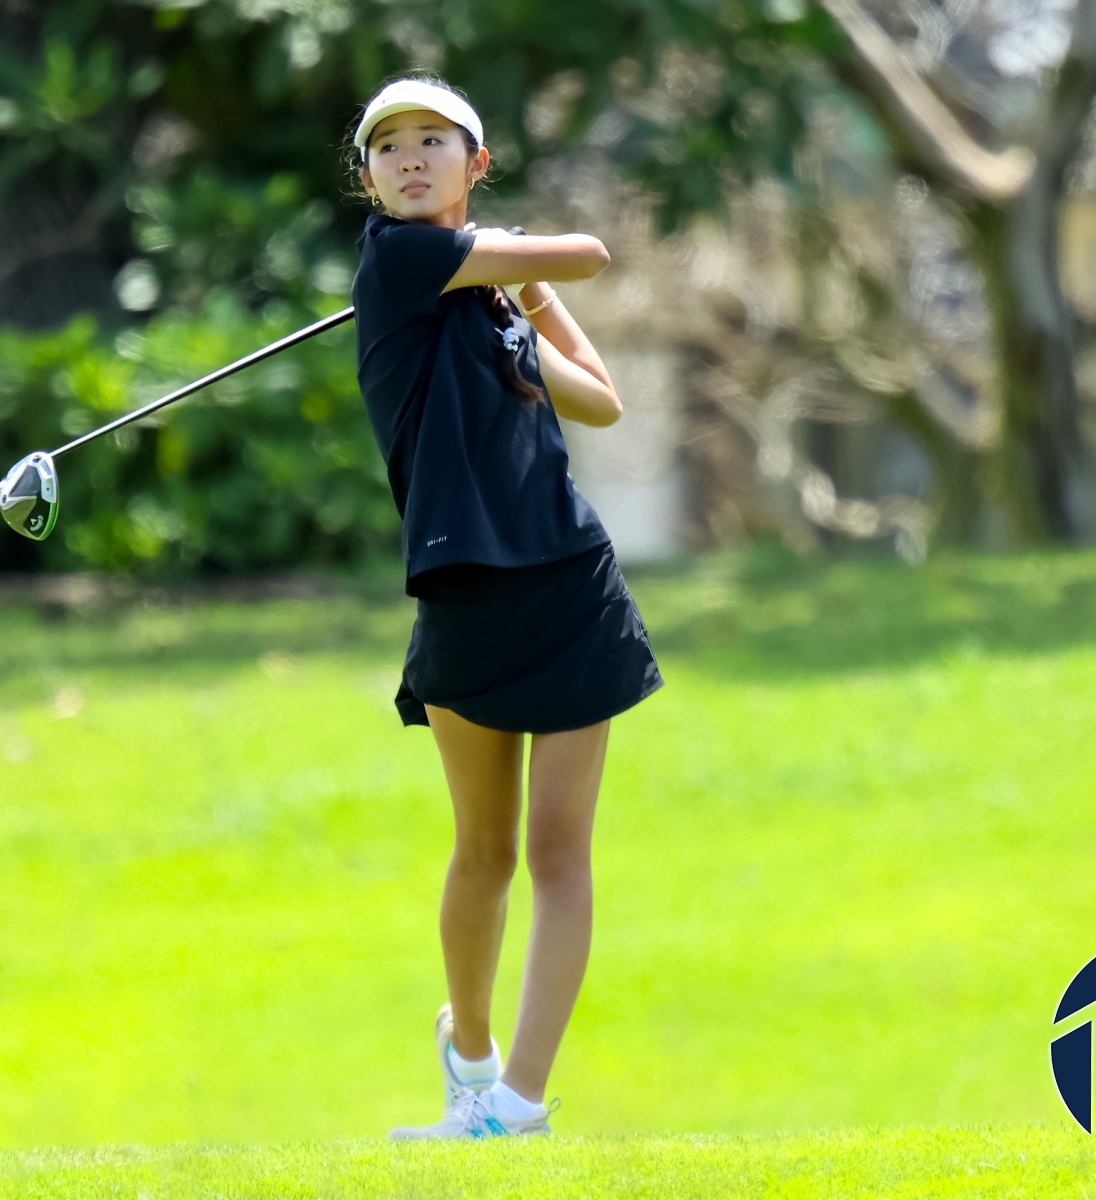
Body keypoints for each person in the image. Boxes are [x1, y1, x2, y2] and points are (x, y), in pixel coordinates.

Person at [346, 74, 664, 1140]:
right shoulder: (397, 260)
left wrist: (520, 302)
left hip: (568, 580)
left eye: (433, 140)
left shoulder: (489, 297)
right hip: (467, 590)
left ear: (474, 163)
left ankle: (517, 1105)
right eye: (389, 147)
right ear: (368, 178)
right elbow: (590, 252)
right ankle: (471, 1061)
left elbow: (600, 399)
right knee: (483, 849)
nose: (410, 158)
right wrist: (515, 260)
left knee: (559, 852)